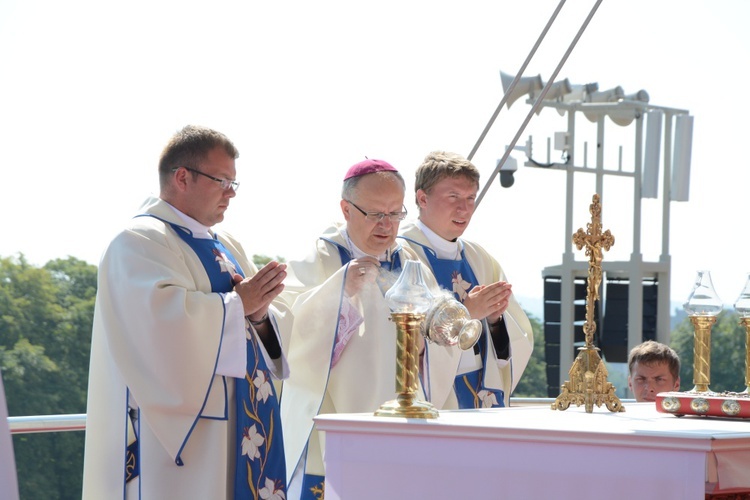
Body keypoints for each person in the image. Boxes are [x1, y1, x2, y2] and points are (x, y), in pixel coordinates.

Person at [82, 125, 290, 500]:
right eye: (222, 180)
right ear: (182, 177)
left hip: (245, 418)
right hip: (184, 435)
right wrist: (239, 303)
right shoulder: (139, 240)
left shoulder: (226, 244)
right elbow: (159, 327)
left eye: (234, 183)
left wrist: (258, 315)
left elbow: (249, 317)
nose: (231, 194)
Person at [280, 159, 460, 500]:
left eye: (395, 214)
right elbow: (290, 336)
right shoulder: (318, 259)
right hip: (338, 426)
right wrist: (340, 292)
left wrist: (429, 340)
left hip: (405, 428)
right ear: (346, 209)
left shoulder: (410, 260)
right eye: (375, 214)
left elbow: (438, 337)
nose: (386, 225)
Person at [398, 151, 534, 408]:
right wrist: (467, 312)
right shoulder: (402, 256)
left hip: (479, 395)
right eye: (453, 196)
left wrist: (495, 320)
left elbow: (513, 345)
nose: (464, 208)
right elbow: (397, 342)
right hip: (430, 401)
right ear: (422, 198)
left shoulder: (479, 258)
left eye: (470, 198)